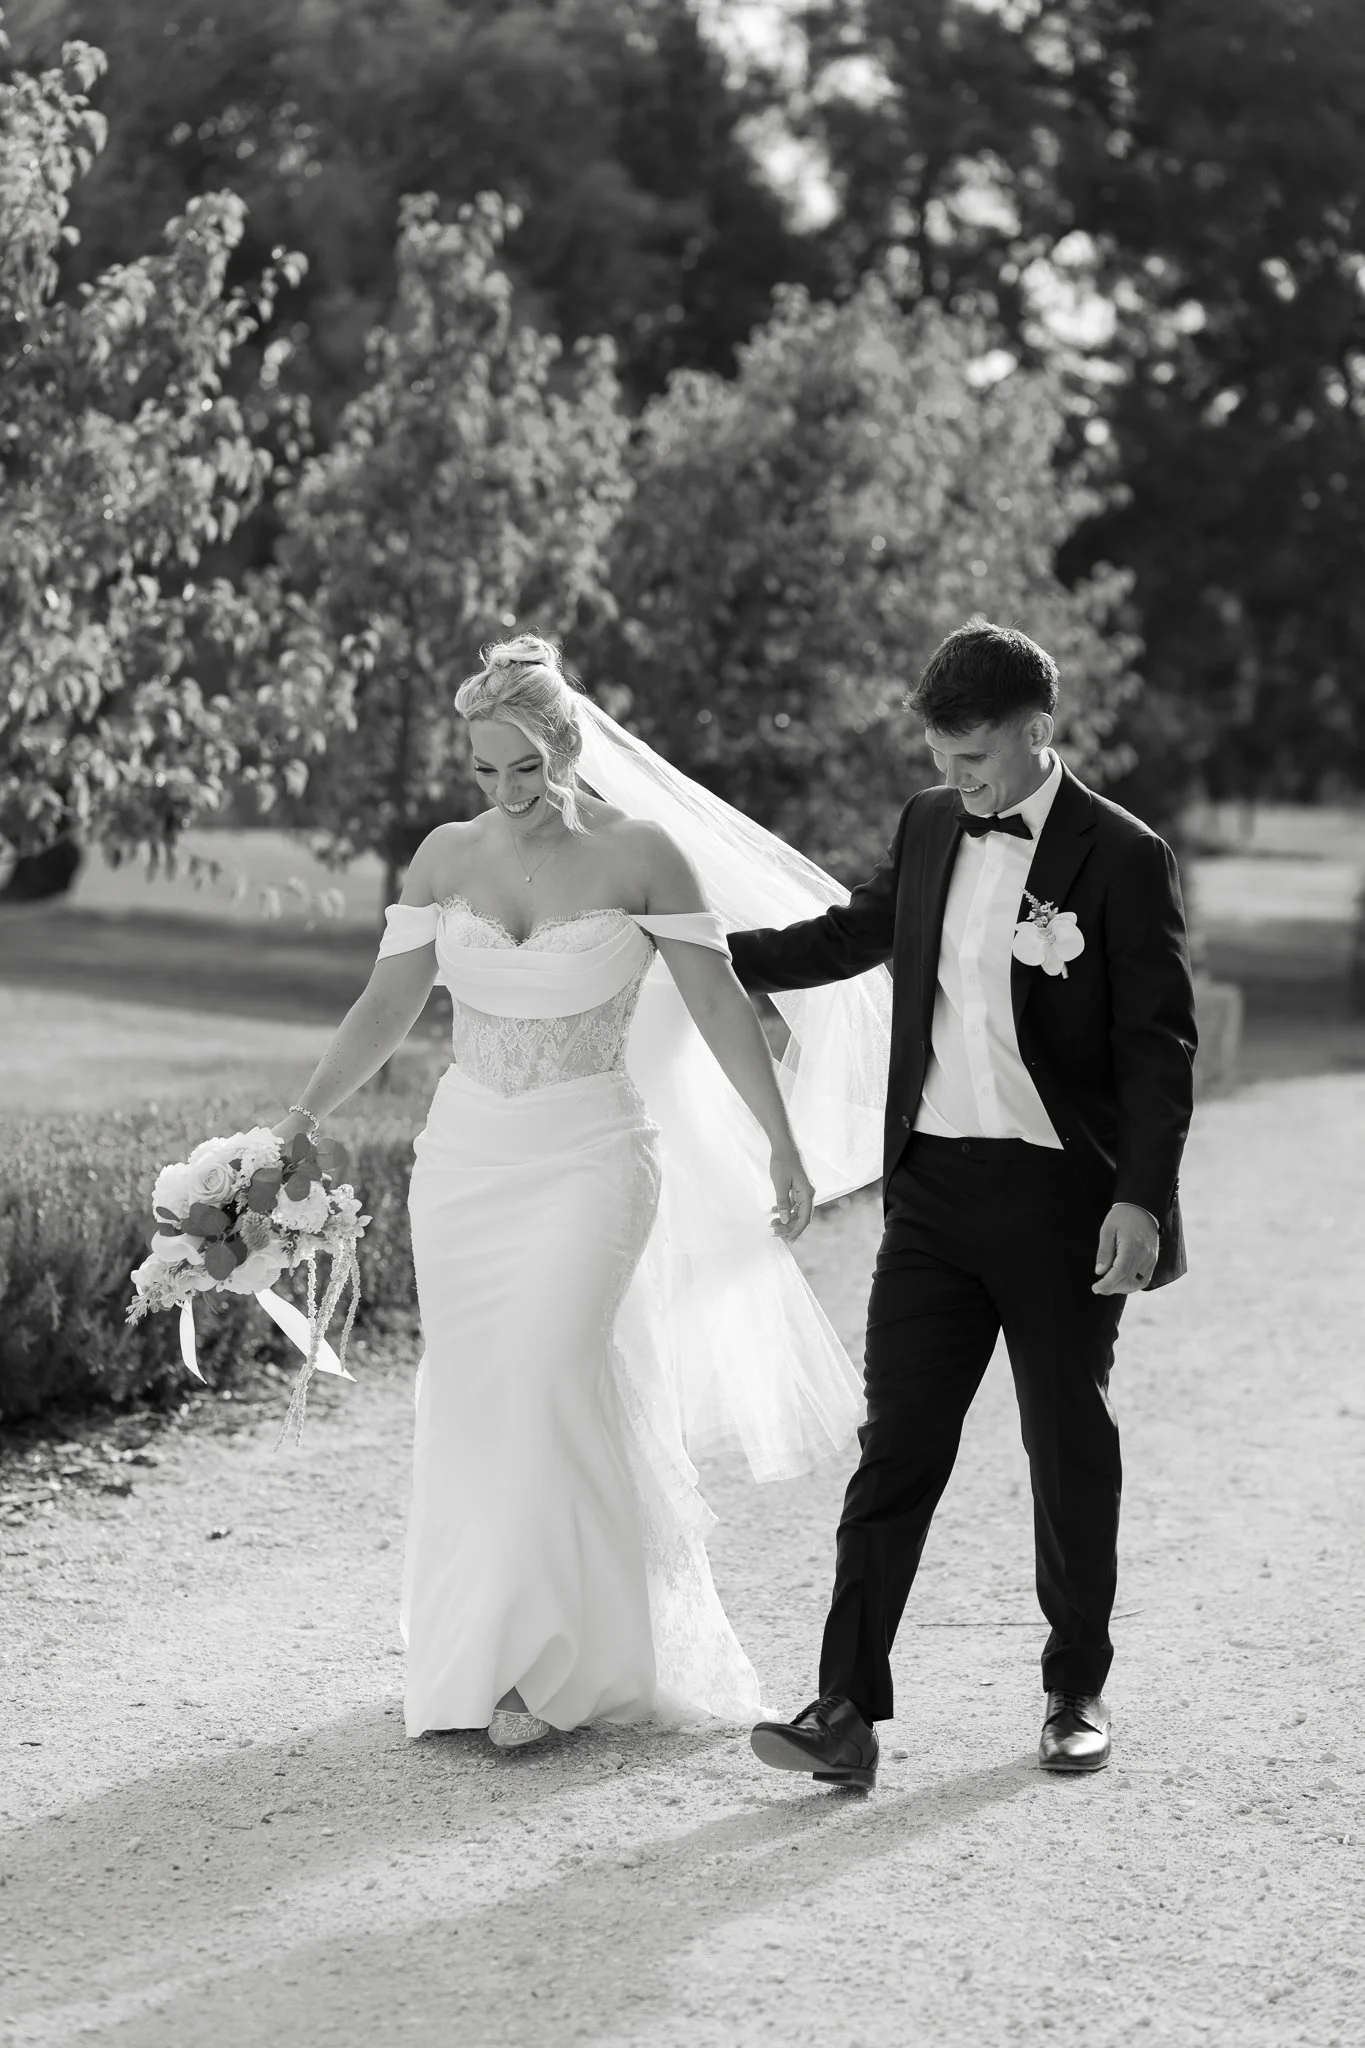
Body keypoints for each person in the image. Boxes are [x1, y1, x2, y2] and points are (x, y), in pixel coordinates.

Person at [269, 635, 871, 1749]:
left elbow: (722, 1004)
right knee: (479, 1393)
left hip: (592, 1151)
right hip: (463, 1164)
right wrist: (300, 1117)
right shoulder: (445, 857)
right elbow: (388, 1003)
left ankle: (544, 1671)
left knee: (550, 1369)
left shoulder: (644, 856)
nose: (506, 794)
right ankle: (484, 1650)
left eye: (525, 770)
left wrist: (784, 1145)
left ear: (569, 751)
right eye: (484, 771)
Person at [735, 618, 1198, 1789]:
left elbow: (1159, 1048)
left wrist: (1141, 1200)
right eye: (942, 759)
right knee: (895, 1448)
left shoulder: (1124, 855)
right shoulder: (930, 821)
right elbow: (853, 932)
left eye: (976, 760)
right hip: (935, 1189)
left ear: (1039, 733)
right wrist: (704, 953)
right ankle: (844, 1707)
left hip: (1061, 1196)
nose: (954, 781)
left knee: (1065, 1444)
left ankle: (1074, 1687)